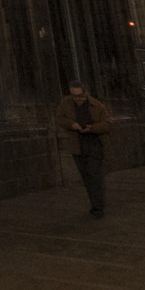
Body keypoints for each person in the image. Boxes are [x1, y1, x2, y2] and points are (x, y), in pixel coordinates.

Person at [54, 80, 112, 218]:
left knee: (95, 175)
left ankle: (98, 208)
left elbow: (107, 124)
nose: (77, 99)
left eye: (80, 95)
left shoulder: (96, 105)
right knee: (86, 177)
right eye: (74, 96)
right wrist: (71, 124)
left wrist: (93, 128)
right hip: (77, 146)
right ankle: (95, 204)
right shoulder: (66, 103)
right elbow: (59, 119)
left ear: (85, 93)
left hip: (93, 145)